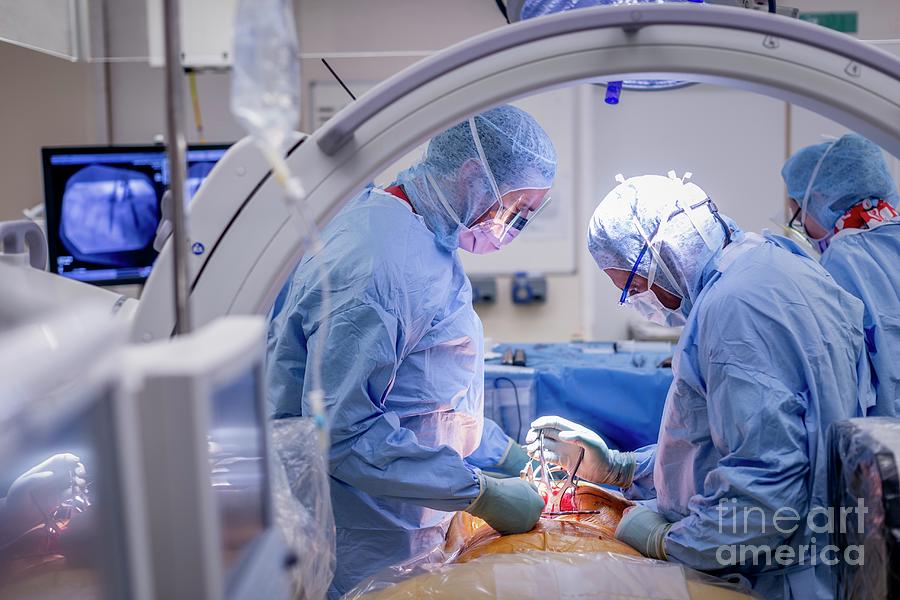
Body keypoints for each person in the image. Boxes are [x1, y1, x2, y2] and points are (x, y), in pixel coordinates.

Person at [528, 173, 874, 600]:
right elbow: (723, 443)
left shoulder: (737, 308)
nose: (638, 301)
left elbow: (765, 491)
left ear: (664, 254)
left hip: (773, 576)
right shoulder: (767, 266)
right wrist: (622, 468)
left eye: (634, 287)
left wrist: (669, 543)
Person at [266, 105, 556, 597]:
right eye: (515, 211)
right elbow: (342, 434)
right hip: (357, 541)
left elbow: (428, 400)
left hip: (402, 530)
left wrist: (503, 454)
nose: (511, 228)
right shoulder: (375, 260)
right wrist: (478, 492)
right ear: (471, 176)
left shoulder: (427, 243)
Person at [782, 133, 900, 416]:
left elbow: (841, 373)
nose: (802, 226)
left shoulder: (844, 257)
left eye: (799, 214)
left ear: (821, 198)